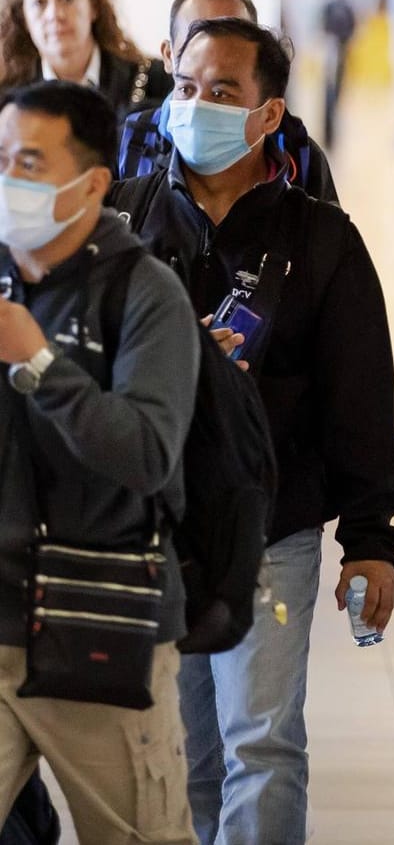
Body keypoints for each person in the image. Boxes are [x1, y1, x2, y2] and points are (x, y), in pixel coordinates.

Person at [107, 18, 394, 843]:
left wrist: (373, 537)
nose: (197, 105)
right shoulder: (122, 222)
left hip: (270, 529)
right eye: (187, 87)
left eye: (223, 92)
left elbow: (360, 399)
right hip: (150, 528)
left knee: (263, 743)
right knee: (186, 751)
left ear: (269, 113)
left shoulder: (319, 238)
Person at [0, 81, 199, 844]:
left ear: (90, 183)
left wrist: (40, 362)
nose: (10, 178)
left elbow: (147, 451)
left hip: (99, 620)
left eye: (29, 162)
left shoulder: (144, 293)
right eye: (2, 159)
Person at [117, 0, 339, 203]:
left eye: (234, 39)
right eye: (195, 39)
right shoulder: (130, 144)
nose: (212, 52)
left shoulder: (296, 153)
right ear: (168, 55)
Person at [0, 0, 172, 120]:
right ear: (23, 18)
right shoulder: (8, 103)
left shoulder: (155, 81)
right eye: (39, 3)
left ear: (94, 6)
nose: (54, 14)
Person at [318, 0, 357, 149]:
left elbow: (353, 26)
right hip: (331, 55)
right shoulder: (331, 7)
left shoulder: (345, 8)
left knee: (335, 95)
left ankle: (331, 133)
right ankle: (328, 135)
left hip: (340, 55)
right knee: (329, 94)